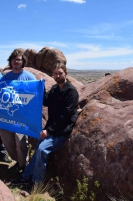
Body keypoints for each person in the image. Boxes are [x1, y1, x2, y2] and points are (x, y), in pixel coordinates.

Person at [10, 63, 79, 191]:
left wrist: (49, 131)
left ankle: (36, 184)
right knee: (37, 151)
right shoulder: (55, 89)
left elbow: (65, 116)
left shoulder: (71, 92)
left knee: (42, 150)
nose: (58, 76)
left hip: (60, 132)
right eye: (55, 74)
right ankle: (26, 176)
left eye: (60, 73)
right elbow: (46, 101)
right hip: (51, 129)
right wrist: (40, 88)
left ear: (66, 73)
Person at [0, 48, 36, 171]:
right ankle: (18, 161)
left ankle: (23, 166)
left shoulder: (29, 77)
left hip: (22, 117)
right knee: (7, 139)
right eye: (14, 60)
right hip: (7, 115)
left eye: (18, 60)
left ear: (22, 62)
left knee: (21, 141)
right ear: (11, 61)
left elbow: (36, 94)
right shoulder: (6, 77)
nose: (16, 62)